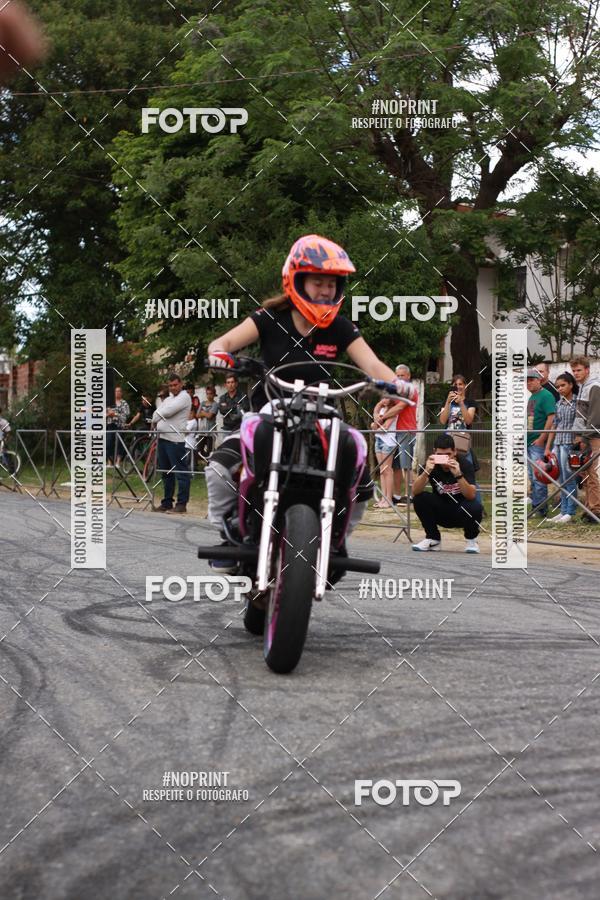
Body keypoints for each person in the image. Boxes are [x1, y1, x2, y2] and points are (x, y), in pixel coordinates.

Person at [205, 234, 417, 571]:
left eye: (332, 284)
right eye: (318, 282)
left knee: (357, 460)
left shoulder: (341, 328)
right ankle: (230, 533)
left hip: (323, 413)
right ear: (297, 280)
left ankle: (336, 540)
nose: (326, 291)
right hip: (270, 410)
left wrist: (398, 385)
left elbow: (374, 366)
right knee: (219, 468)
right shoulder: (269, 318)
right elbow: (226, 340)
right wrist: (219, 354)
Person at [411, 434, 483, 553]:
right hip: (441, 510)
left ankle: (471, 540)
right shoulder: (430, 465)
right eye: (440, 455)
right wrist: (426, 472)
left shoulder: (465, 464)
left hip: (461, 511)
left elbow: (471, 495)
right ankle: (433, 539)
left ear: (454, 452)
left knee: (475, 507)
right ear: (434, 452)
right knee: (420, 498)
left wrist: (458, 475)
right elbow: (415, 491)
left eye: (447, 455)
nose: (444, 459)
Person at [152, 373, 192, 514]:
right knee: (166, 473)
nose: (173, 387)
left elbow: (166, 412)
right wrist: (157, 415)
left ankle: (182, 504)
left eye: (175, 385)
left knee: (181, 473)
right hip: (163, 438)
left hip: (175, 440)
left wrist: (157, 416)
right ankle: (167, 502)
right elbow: (157, 413)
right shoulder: (168, 398)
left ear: (180, 384)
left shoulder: (184, 397)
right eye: (170, 385)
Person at [544, 372, 579, 523]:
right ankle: (563, 510)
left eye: (563, 385)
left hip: (570, 444)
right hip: (557, 444)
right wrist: (548, 447)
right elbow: (554, 425)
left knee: (569, 477)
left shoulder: (578, 402)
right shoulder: (558, 404)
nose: (559, 389)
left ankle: (570, 512)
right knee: (559, 478)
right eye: (557, 386)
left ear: (571, 385)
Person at [571, 355, 600, 524]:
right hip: (584, 436)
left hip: (593, 436)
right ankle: (589, 508)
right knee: (586, 474)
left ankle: (596, 510)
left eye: (579, 370)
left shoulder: (594, 386)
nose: (576, 373)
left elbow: (595, 416)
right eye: (574, 370)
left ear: (587, 370)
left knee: (594, 473)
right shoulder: (582, 387)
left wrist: (584, 437)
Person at [526, 368, 556, 518]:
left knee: (539, 477)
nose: (528, 382)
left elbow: (551, 418)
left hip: (538, 442)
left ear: (539, 380)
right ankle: (536, 506)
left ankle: (541, 509)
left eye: (531, 379)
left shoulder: (546, 395)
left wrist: (542, 439)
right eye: (526, 380)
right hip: (529, 442)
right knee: (532, 477)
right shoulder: (532, 397)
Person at [387, 364, 417, 504]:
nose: (399, 378)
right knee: (397, 466)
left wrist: (381, 418)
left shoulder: (410, 391)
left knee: (406, 465)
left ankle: (411, 495)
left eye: (402, 375)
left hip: (407, 430)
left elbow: (399, 408)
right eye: (397, 375)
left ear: (408, 376)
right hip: (396, 431)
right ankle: (397, 495)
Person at [370, 397, 397, 508]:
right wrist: (375, 426)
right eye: (382, 397)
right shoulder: (381, 409)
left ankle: (389, 499)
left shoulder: (393, 411)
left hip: (388, 442)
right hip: (379, 440)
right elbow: (376, 424)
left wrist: (374, 427)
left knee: (387, 470)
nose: (384, 399)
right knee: (382, 470)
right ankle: (383, 498)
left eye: (387, 397)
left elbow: (385, 427)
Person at [106, 386, 130, 467]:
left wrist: (115, 414)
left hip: (120, 426)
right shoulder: (109, 403)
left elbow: (125, 415)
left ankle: (118, 462)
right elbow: (105, 413)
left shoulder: (124, 403)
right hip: (110, 425)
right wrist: (108, 414)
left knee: (120, 444)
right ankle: (109, 462)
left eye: (119, 391)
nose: (117, 393)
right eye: (116, 391)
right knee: (109, 443)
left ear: (121, 393)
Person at [196, 384, 218, 461]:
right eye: (207, 393)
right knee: (199, 450)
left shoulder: (215, 404)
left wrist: (203, 413)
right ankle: (206, 461)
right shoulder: (202, 403)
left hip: (211, 432)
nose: (209, 395)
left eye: (211, 393)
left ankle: (210, 466)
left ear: (214, 394)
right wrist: (206, 413)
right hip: (201, 432)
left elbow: (209, 416)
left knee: (210, 451)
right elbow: (197, 415)